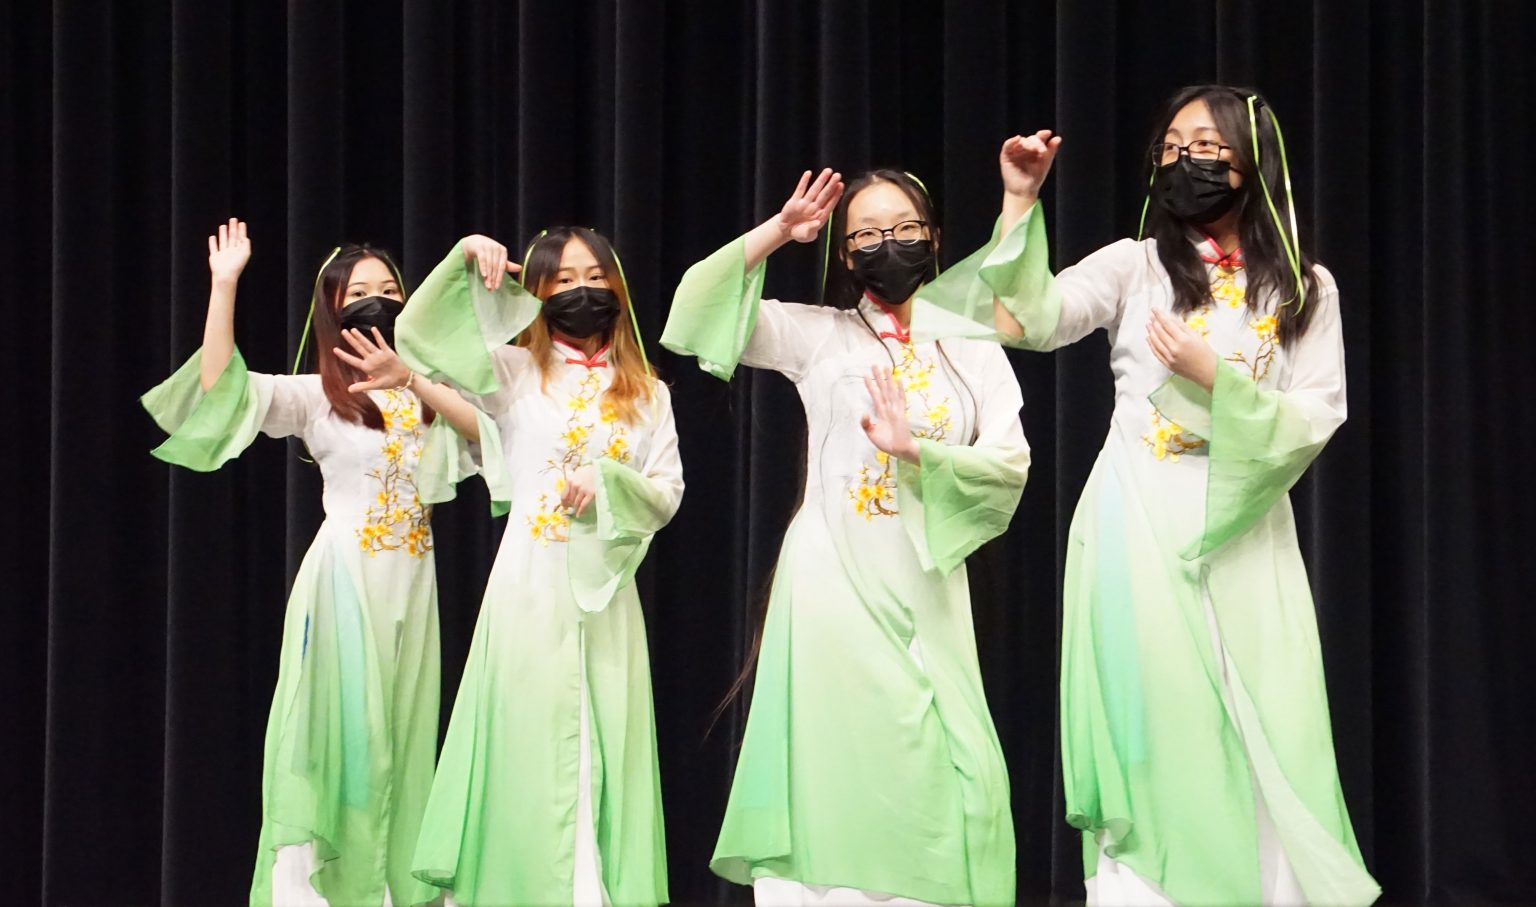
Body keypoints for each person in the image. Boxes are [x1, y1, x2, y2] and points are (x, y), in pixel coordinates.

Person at [917, 85, 1380, 905]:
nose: (1182, 160)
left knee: (1261, 714)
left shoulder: (1305, 288)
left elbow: (1316, 416)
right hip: (1135, 518)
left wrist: (1216, 382)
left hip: (1244, 530)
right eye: (1170, 147)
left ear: (1251, 161)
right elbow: (1032, 319)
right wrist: (1020, 200)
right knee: (1153, 717)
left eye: (1204, 145)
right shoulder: (1135, 265)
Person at [662, 168, 1030, 907]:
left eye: (904, 228)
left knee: (955, 772)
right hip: (831, 582)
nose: (887, 244)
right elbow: (693, 312)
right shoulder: (818, 336)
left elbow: (1010, 463)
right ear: (843, 253)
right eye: (865, 234)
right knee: (831, 762)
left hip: (928, 585)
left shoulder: (970, 344)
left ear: (933, 236)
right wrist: (777, 232)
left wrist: (918, 452)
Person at [142, 219, 492, 907]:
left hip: (413, 586)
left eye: (389, 289)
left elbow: (491, 437)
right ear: (331, 310)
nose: (376, 300)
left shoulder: (431, 392)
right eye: (358, 293)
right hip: (344, 583)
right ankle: (319, 889)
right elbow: (220, 389)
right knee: (343, 738)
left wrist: (418, 373)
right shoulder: (316, 395)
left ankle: (391, 886)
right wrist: (224, 284)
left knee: (403, 734)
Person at [397, 228, 682, 907]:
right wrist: (463, 255)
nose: (582, 290)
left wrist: (608, 480)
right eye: (563, 280)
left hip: (607, 598)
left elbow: (667, 492)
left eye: (596, 276)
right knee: (524, 741)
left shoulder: (649, 392)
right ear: (538, 293)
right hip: (528, 584)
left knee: (602, 744)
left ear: (618, 288)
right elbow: (417, 335)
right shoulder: (511, 372)